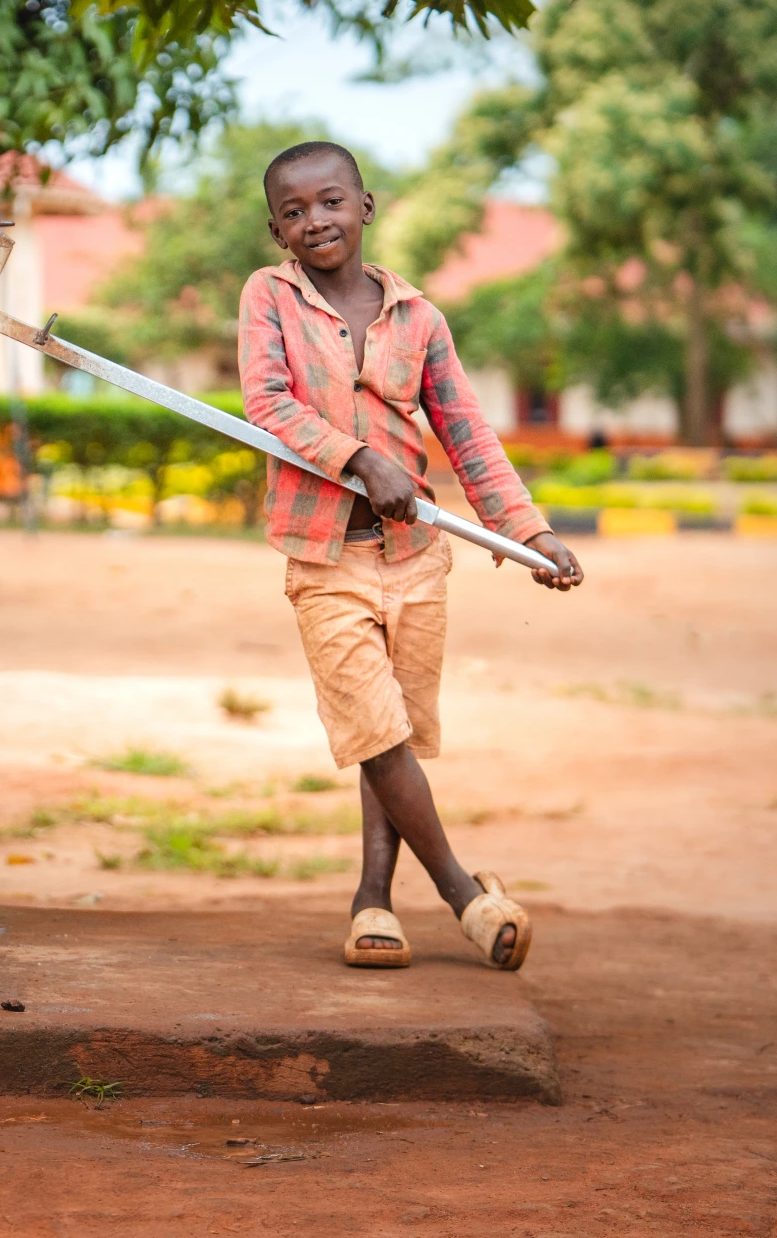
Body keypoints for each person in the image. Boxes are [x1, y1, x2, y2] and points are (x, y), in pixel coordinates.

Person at [237, 140, 584, 973]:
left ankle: (372, 904)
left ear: (367, 206)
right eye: (293, 212)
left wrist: (528, 532)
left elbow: (464, 430)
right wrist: (359, 458)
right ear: (277, 231)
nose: (314, 220)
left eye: (329, 202)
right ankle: (466, 895)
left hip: (417, 555)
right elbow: (266, 402)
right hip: (326, 558)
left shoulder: (420, 318)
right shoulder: (269, 298)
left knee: (390, 733)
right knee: (376, 731)